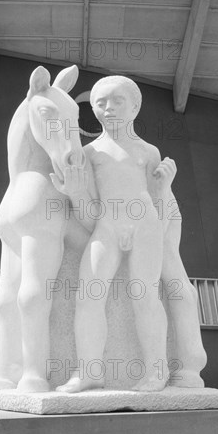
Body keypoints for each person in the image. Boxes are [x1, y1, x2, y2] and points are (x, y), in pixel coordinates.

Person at [54, 76, 176, 393]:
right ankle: (90, 371)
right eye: (100, 102)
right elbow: (89, 215)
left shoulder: (149, 151)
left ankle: (156, 370)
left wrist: (165, 189)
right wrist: (77, 192)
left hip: (145, 224)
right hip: (106, 224)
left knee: (145, 293)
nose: (108, 108)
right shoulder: (90, 153)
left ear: (135, 106)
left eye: (117, 100)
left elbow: (158, 208)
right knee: (88, 295)